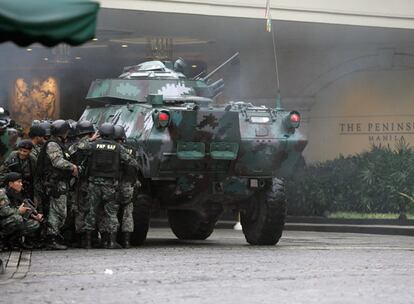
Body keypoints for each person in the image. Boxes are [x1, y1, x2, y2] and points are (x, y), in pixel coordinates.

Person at [83, 123, 137, 249]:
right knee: (111, 213)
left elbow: (79, 149)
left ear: (100, 133)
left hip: (93, 184)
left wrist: (91, 139)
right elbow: (132, 162)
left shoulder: (93, 145)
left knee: (91, 211)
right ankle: (112, 242)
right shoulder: (118, 147)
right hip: (110, 185)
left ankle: (88, 243)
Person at [36, 120, 78, 250]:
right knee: (57, 212)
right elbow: (57, 161)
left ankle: (52, 236)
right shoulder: (53, 144)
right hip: (54, 183)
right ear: (64, 132)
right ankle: (51, 239)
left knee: (59, 211)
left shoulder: (58, 143)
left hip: (58, 183)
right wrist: (73, 167)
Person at [67, 120, 97, 247]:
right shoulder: (82, 145)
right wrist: (90, 140)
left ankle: (85, 238)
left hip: (85, 182)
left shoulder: (83, 144)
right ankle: (85, 238)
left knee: (81, 209)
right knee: (85, 209)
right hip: (84, 182)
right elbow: (76, 148)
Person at [113, 125, 140, 248]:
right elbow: (136, 167)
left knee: (111, 212)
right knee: (128, 213)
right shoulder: (132, 150)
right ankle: (127, 241)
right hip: (128, 185)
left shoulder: (112, 149)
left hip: (113, 184)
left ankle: (110, 240)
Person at [0, 172, 42, 249]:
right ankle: (2, 240)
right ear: (10, 184)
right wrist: (19, 211)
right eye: (19, 182)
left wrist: (34, 216)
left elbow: (20, 208)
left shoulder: (15, 193)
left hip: (9, 220)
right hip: (2, 221)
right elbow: (3, 212)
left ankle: (13, 241)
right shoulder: (2, 194)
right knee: (17, 219)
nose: (21, 184)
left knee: (34, 224)